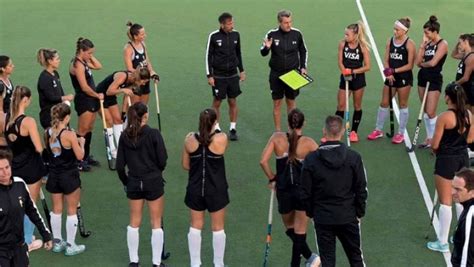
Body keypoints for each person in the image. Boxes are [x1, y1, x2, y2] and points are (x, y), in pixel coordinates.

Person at [300, 115, 368, 267]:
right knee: (356, 258)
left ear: (324, 131)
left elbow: (305, 192)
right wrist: (359, 212)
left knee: (328, 261)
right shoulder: (354, 157)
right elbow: (361, 188)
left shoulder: (311, 160)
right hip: (348, 215)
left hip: (323, 217)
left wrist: (313, 213)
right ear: (342, 131)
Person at [259, 108, 320, 267]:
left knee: (291, 229)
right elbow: (320, 165)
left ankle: (305, 260)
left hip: (284, 191)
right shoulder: (308, 142)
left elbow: (263, 161)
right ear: (303, 123)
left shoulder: (277, 138)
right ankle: (310, 258)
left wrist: (272, 178)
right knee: (299, 231)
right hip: (303, 191)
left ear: (287, 123)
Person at [116, 102, 168, 267]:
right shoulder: (154, 134)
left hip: (134, 182)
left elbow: (119, 166)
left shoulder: (124, 136)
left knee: (134, 221)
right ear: (145, 115)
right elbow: (162, 159)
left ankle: (134, 261)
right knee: (156, 222)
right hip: (153, 182)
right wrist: (156, 172)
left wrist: (127, 182)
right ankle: (156, 263)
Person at [427, 82, 474, 253]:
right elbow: (470, 139)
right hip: (462, 159)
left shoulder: (445, 117)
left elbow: (435, 144)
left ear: (447, 97)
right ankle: (459, 235)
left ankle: (442, 241)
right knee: (461, 198)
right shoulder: (469, 114)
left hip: (446, 160)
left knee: (446, 201)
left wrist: (434, 148)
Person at [1, 85, 48, 252]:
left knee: (15, 203)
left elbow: (5, 141)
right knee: (29, 205)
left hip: (15, 167)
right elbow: (38, 147)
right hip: (32, 168)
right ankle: (27, 241)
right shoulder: (28, 121)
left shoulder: (6, 118)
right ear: (26, 100)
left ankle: (17, 236)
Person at [182, 108, 229, 267]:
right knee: (218, 228)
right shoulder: (221, 139)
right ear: (214, 122)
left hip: (195, 189)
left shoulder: (189, 140)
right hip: (216, 190)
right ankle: (218, 264)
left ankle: (195, 264)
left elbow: (185, 165)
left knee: (195, 226)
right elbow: (217, 137)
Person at [44, 103, 86, 255]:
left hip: (54, 175)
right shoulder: (69, 135)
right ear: (67, 117)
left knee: (56, 210)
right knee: (71, 210)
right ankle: (70, 245)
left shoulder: (47, 132)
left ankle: (57, 243)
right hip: (69, 176)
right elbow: (80, 156)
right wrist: (81, 143)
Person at [0, 149, 52, 266]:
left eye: (7, 167)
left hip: (20, 247)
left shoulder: (20, 184)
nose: (5, 172)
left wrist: (45, 234)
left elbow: (32, 211)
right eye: (0, 169)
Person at [368, 18, 416, 144]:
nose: (395, 31)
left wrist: (393, 71)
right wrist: (388, 73)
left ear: (405, 31)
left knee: (403, 104)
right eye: (394, 29)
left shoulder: (410, 44)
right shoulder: (390, 41)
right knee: (384, 102)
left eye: (397, 29)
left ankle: (401, 133)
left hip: (404, 78)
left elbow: (410, 65)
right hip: (391, 77)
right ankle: (378, 130)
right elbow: (386, 59)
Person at [261, 10, 308, 131]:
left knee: (291, 103)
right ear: (279, 22)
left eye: (290, 21)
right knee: (277, 103)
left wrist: (303, 67)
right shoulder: (271, 34)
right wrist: (267, 47)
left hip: (293, 73)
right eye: (286, 22)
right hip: (276, 74)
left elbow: (303, 51)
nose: (289, 25)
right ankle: (278, 131)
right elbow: (263, 53)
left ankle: (292, 130)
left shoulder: (297, 34)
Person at [206, 12, 245, 140]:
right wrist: (209, 75)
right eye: (229, 24)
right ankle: (216, 127)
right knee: (217, 102)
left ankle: (232, 128)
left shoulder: (236, 35)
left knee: (232, 100)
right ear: (222, 25)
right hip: (218, 76)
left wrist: (242, 70)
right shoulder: (214, 36)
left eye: (232, 23)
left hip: (233, 75)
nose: (232, 25)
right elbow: (208, 56)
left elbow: (238, 53)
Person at [96, 67, 150, 158]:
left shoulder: (133, 81)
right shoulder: (123, 76)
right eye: (144, 81)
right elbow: (109, 91)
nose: (144, 84)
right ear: (139, 78)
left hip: (110, 97)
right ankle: (112, 151)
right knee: (109, 121)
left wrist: (123, 112)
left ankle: (121, 147)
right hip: (100, 96)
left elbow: (126, 96)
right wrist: (123, 90)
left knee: (118, 120)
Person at [69, 37, 103, 171]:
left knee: (89, 128)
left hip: (91, 99)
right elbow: (83, 86)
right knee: (82, 131)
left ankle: (86, 156)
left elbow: (99, 66)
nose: (91, 56)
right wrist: (97, 95)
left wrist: (89, 57)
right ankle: (78, 160)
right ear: (81, 51)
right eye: (89, 53)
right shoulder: (77, 65)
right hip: (84, 100)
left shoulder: (84, 61)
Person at [335, 21, 371, 143]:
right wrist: (344, 71)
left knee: (357, 105)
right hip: (345, 77)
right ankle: (336, 131)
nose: (345, 36)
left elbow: (367, 66)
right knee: (340, 105)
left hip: (358, 79)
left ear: (355, 35)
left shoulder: (362, 47)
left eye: (347, 35)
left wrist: (353, 71)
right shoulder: (342, 44)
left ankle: (354, 131)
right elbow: (340, 61)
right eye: (345, 34)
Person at [415, 15, 448, 148]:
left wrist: (423, 63)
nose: (425, 35)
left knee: (430, 111)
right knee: (424, 109)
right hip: (422, 77)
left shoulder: (443, 44)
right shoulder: (427, 44)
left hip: (434, 79)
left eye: (427, 33)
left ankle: (436, 139)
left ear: (435, 32)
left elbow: (434, 62)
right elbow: (417, 62)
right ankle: (429, 138)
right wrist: (422, 47)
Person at [37, 48, 74, 129]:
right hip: (49, 117)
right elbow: (51, 98)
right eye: (57, 59)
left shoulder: (55, 74)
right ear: (50, 61)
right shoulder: (44, 78)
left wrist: (65, 102)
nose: (59, 60)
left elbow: (60, 92)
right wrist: (66, 98)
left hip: (60, 114)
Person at [123, 21, 159, 105]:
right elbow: (129, 69)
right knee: (135, 108)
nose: (145, 36)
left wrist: (152, 72)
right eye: (142, 34)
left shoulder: (143, 44)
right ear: (135, 36)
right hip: (136, 82)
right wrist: (141, 74)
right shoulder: (128, 49)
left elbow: (147, 61)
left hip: (145, 80)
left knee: (143, 107)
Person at [451, 168, 474, 267]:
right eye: (453, 187)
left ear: (472, 192)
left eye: (458, 189)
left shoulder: (470, 216)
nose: (452, 192)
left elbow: (466, 258)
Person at [452, 33, 474, 112]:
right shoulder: (465, 55)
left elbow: (466, 78)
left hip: (469, 90)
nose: (459, 46)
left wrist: (455, 84)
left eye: (460, 43)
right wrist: (459, 42)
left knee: (469, 116)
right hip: (464, 88)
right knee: (465, 115)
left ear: (466, 42)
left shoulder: (471, 57)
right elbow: (453, 55)